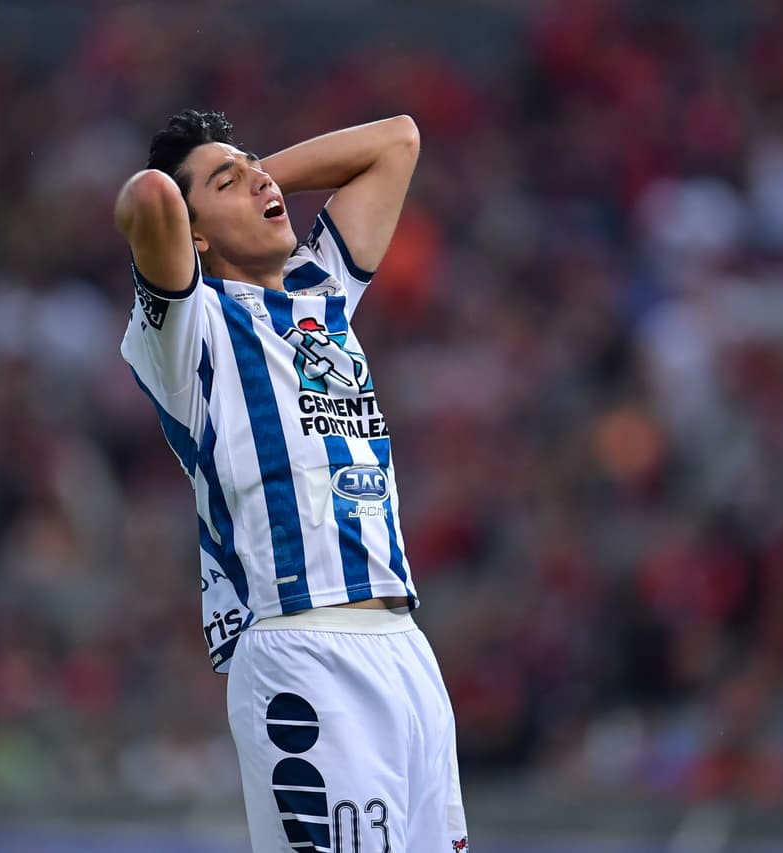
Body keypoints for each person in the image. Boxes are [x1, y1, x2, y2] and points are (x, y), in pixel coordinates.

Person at [115, 110, 468, 852]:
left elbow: (398, 139)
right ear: (195, 235)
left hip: (406, 648)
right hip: (304, 652)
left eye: (254, 166)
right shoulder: (189, 333)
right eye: (225, 180)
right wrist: (213, 193)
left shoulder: (321, 290)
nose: (257, 179)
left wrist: (248, 176)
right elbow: (148, 195)